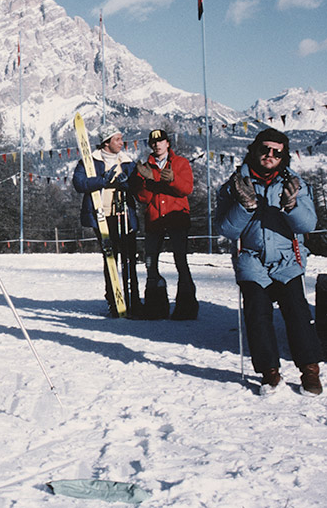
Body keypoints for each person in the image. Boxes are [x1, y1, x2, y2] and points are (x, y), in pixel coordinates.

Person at [216, 127, 321, 395]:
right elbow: (227, 230)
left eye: (277, 152)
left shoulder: (295, 183)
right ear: (254, 150)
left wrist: (291, 207)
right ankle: (269, 373)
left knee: (297, 313)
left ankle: (310, 370)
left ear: (283, 156)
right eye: (265, 149)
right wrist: (245, 206)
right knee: (257, 315)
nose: (269, 155)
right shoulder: (234, 184)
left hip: (287, 259)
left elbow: (309, 223)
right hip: (252, 259)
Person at [72, 124, 139, 317]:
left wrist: (128, 184)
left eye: (121, 139)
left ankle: (133, 299)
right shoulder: (90, 161)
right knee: (110, 258)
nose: (121, 142)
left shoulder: (126, 161)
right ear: (106, 142)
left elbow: (136, 185)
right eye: (117, 139)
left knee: (129, 258)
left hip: (124, 214)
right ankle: (114, 300)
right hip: (102, 216)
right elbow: (80, 183)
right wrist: (103, 181)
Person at [130, 129, 197, 320]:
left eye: (161, 142)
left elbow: (186, 189)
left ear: (168, 143)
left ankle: (186, 306)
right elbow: (143, 198)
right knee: (151, 263)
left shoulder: (180, 163)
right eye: (153, 143)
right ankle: (155, 305)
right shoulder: (145, 166)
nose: (157, 145)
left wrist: (173, 180)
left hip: (176, 219)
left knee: (181, 262)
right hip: (154, 219)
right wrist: (145, 181)